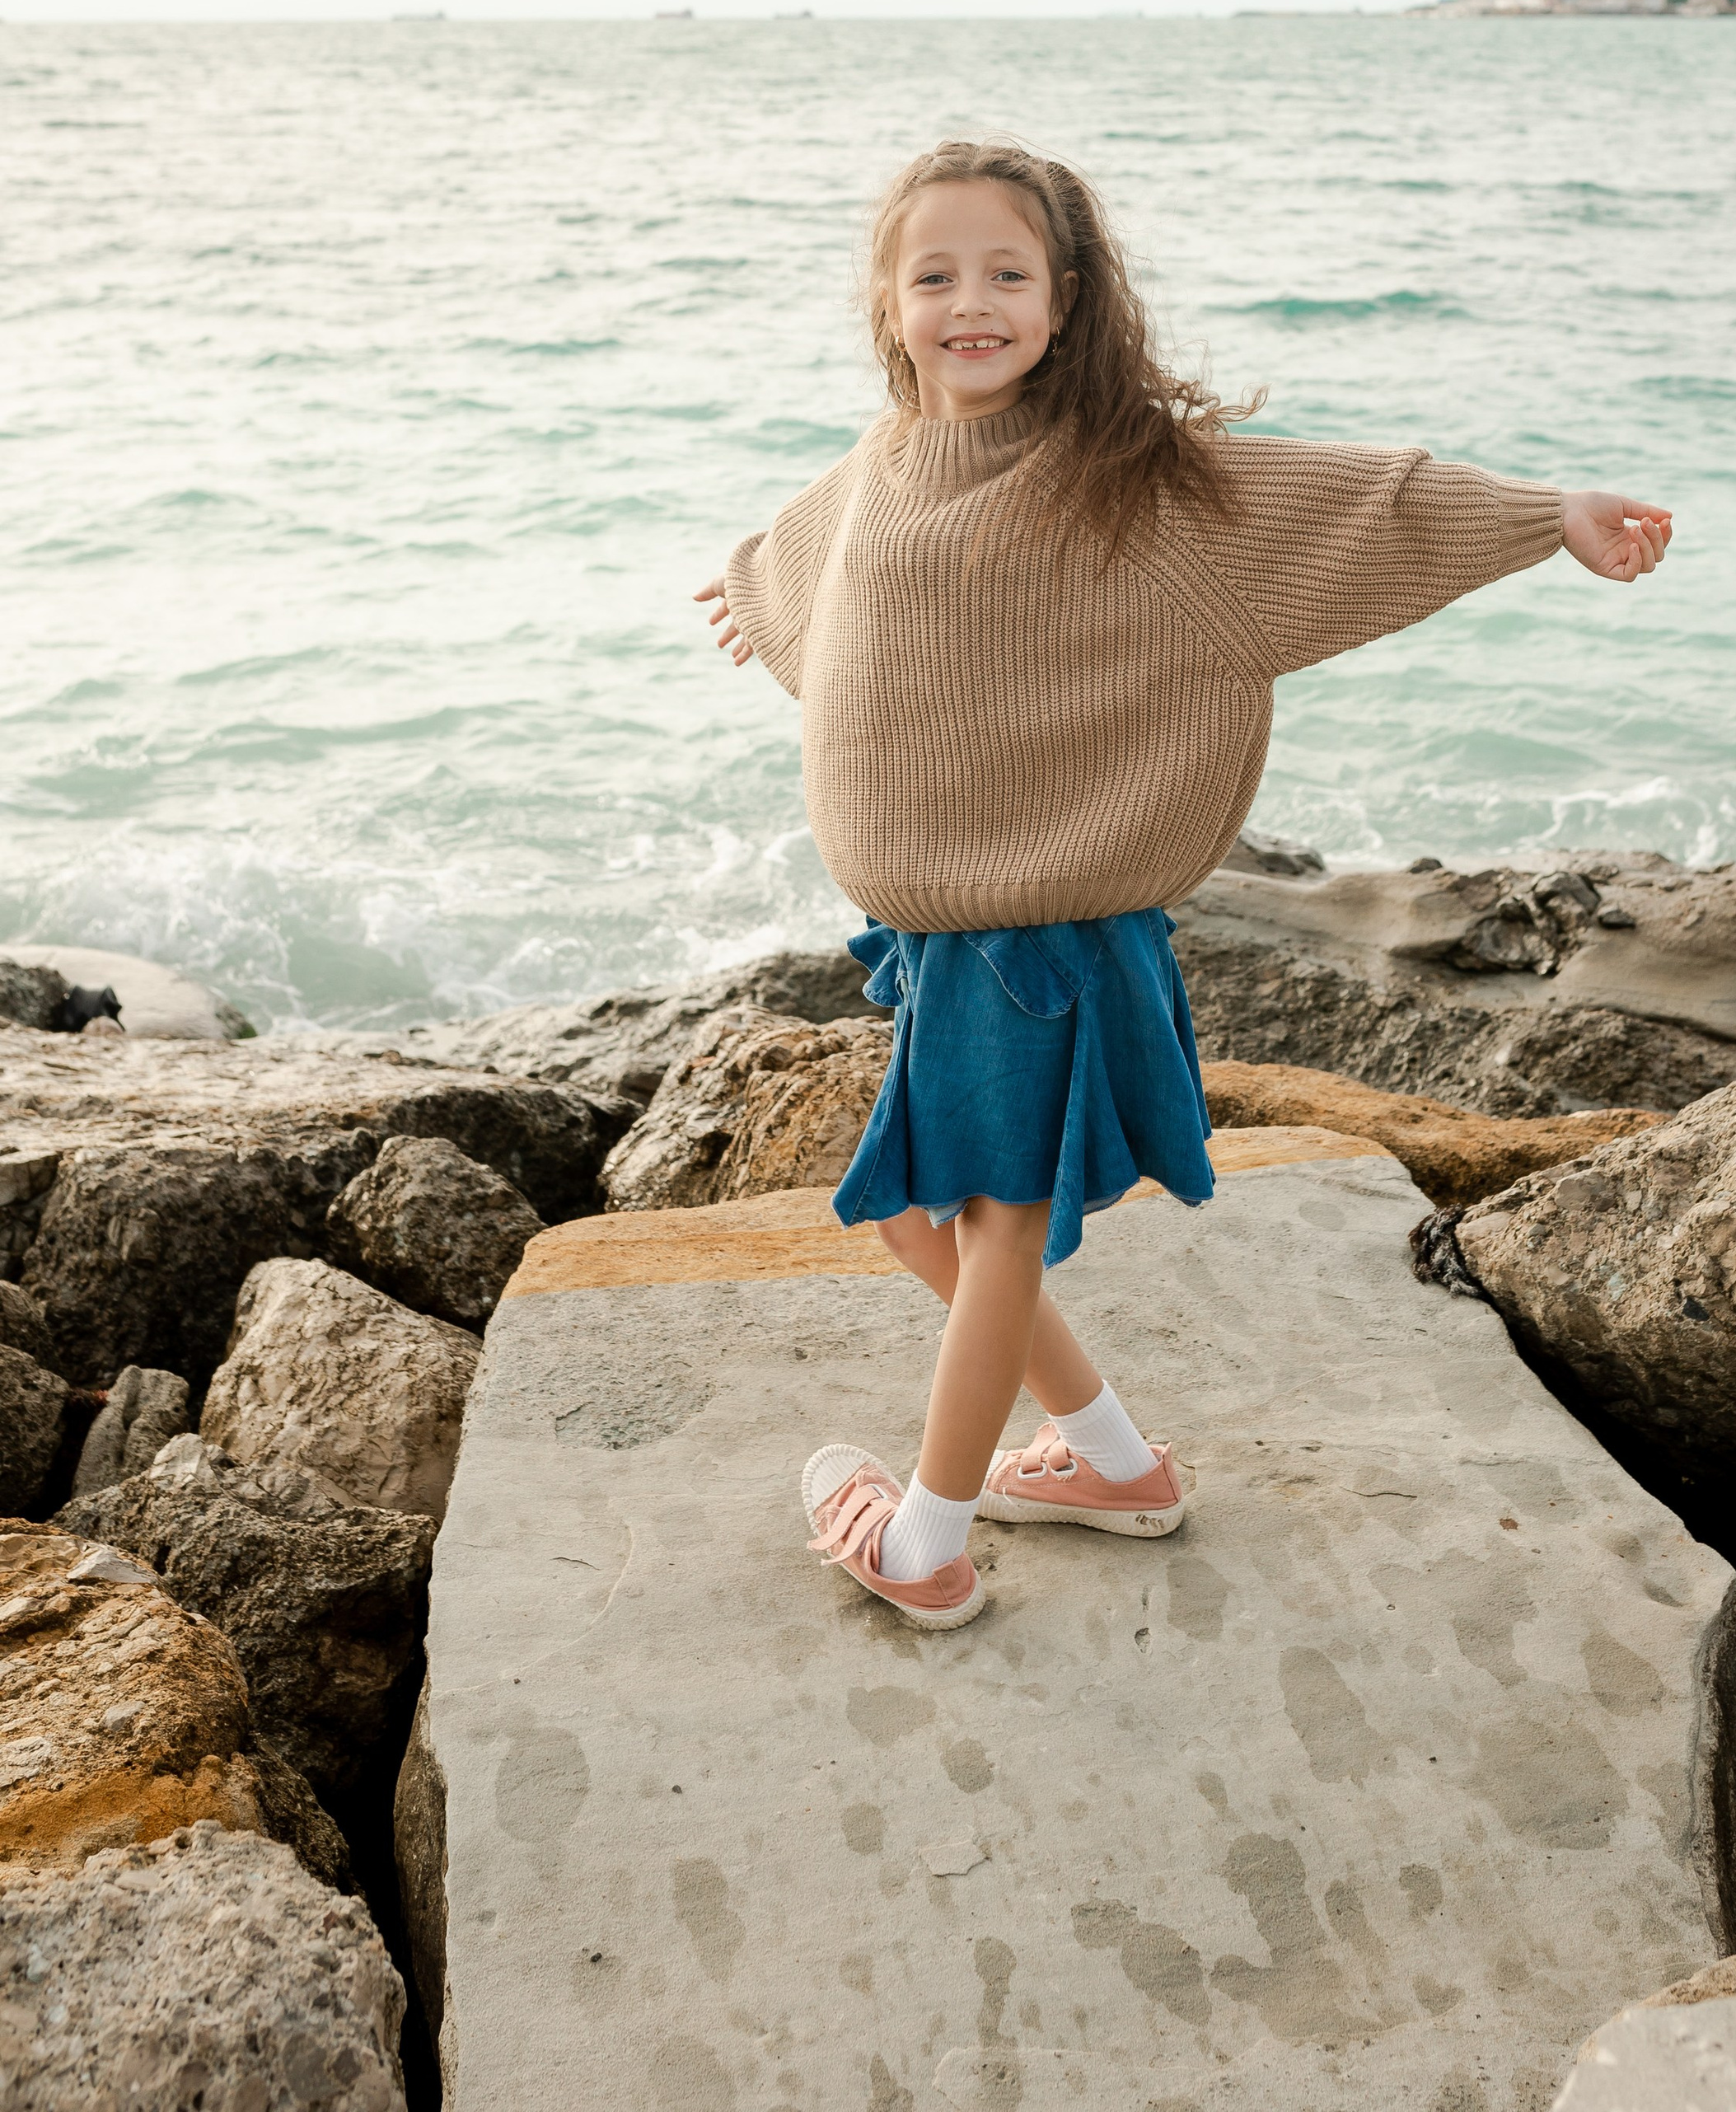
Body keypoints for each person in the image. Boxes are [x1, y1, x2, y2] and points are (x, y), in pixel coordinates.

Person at [696, 137, 1670, 1629]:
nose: (974, 302)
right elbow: (824, 568)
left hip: (1046, 931)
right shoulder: (885, 465)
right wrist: (756, 583)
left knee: (996, 1225)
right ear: (887, 304)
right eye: (936, 274)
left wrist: (1549, 514)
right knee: (917, 1219)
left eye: (1009, 274)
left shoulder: (1137, 486)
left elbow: (1356, 509)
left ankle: (925, 1545)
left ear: (1068, 298)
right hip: (946, 940)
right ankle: (1114, 1462)